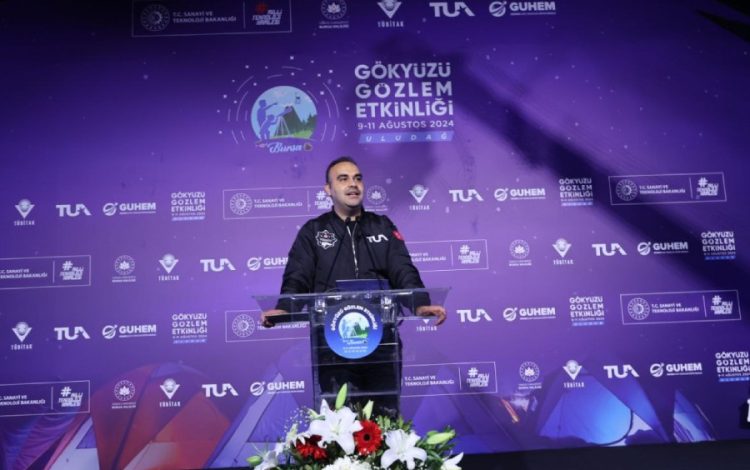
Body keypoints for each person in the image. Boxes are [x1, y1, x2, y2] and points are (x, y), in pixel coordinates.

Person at [261, 156, 446, 413]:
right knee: (341, 423)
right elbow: (297, 278)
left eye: (357, 178)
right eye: (343, 179)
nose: (353, 184)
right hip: (332, 345)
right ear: (328, 189)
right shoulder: (314, 231)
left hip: (382, 342)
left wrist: (419, 304)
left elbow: (404, 270)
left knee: (384, 423)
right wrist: (284, 308)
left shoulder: (382, 226)